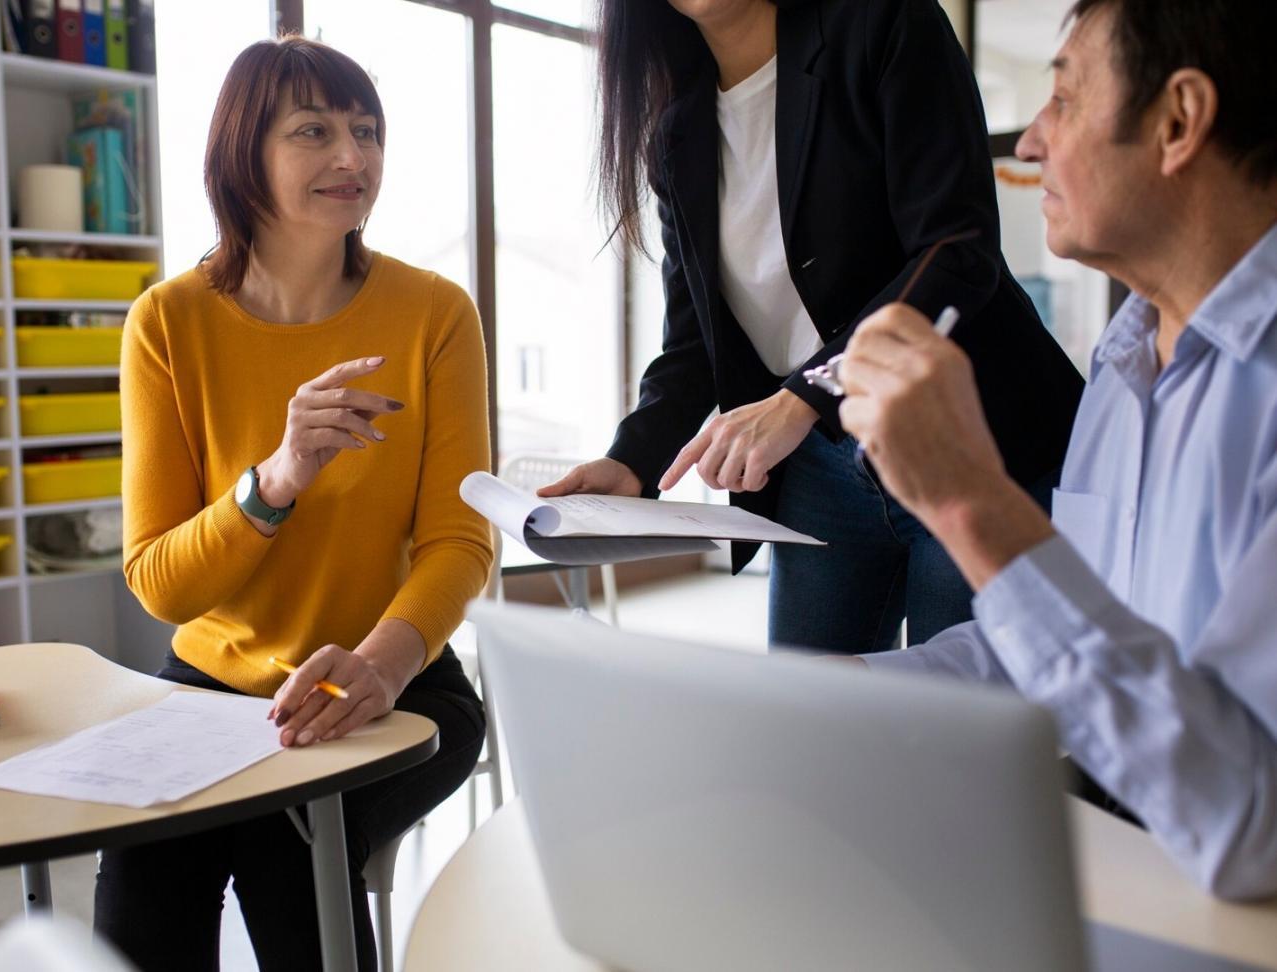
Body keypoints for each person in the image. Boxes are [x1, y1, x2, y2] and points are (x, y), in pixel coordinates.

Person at [838, 0, 1277, 898]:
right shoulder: (1121, 371)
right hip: (1111, 864)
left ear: (1178, 121)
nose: (1029, 144)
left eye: (1065, 99)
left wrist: (969, 499)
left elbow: (1249, 824)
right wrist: (832, 698)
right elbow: (1038, 650)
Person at [97, 37, 492, 968]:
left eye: (367, 132)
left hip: (400, 677)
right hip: (213, 689)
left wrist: (380, 667)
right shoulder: (168, 322)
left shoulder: (435, 313)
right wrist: (274, 481)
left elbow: (458, 541)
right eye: (314, 131)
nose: (353, 157)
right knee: (144, 868)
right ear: (243, 152)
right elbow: (159, 584)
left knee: (289, 838)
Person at [542, 0, 1084, 654]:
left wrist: (803, 395)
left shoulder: (885, 24)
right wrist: (629, 462)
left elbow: (956, 247)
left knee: (955, 734)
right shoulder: (675, 135)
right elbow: (694, 344)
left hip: (972, 438)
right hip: (822, 472)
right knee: (812, 726)